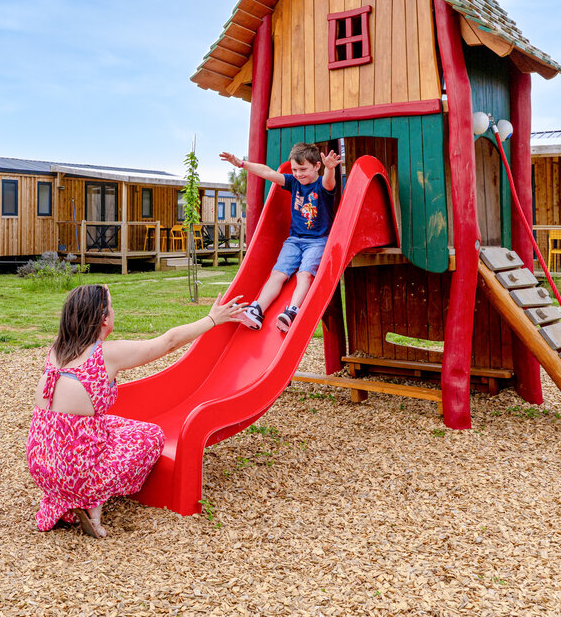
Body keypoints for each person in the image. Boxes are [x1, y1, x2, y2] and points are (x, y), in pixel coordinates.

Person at [26, 283, 247, 538]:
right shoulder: (105, 354)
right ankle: (92, 501)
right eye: (111, 306)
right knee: (151, 435)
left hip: (41, 464)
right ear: (103, 318)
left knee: (110, 424)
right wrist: (212, 319)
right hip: (76, 470)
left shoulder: (57, 349)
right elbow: (169, 342)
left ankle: (62, 496)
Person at [219, 142, 341, 332]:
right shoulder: (294, 182)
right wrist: (241, 164)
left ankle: (292, 311)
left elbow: (328, 182)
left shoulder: (322, 185)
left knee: (305, 273)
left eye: (303, 169)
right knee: (278, 273)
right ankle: (257, 310)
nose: (299, 174)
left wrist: (331, 169)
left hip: (317, 241)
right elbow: (267, 172)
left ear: (317, 166)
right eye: (295, 169)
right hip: (294, 240)